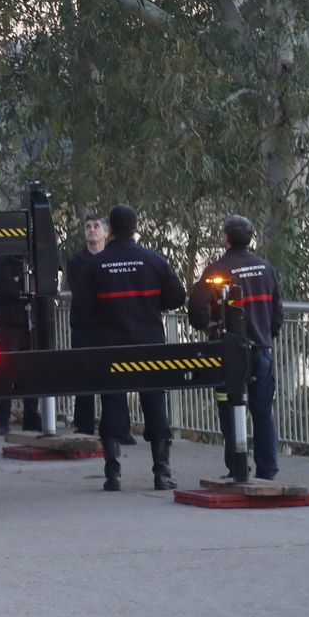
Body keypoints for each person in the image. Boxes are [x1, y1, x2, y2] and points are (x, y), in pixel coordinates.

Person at [73, 204, 186, 492]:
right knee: (155, 404)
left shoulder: (95, 266)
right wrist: (151, 305)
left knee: (111, 404)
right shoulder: (153, 261)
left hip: (111, 347)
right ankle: (162, 473)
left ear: (109, 230)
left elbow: (81, 310)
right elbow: (177, 297)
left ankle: (113, 475)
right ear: (136, 228)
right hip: (149, 346)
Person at [190, 214, 283, 480]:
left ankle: (237, 466)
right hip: (261, 351)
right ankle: (268, 470)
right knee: (263, 411)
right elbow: (277, 312)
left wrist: (207, 326)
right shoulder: (266, 268)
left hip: (226, 354)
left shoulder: (216, 271)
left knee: (229, 408)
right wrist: (267, 336)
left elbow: (196, 306)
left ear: (225, 239)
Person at [66, 214, 133, 440]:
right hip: (85, 326)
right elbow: (82, 292)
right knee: (85, 376)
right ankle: (84, 426)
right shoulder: (76, 262)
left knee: (116, 377)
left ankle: (119, 428)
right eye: (87, 227)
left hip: (112, 327)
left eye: (96, 226)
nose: (92, 230)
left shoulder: (115, 257)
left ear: (106, 233)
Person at [0, 255, 42, 435]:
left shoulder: (35, 259)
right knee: (5, 372)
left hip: (31, 325)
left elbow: (47, 280)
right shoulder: (2, 261)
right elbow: (5, 286)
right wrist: (24, 289)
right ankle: (1, 419)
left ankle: (32, 418)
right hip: (9, 325)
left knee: (31, 373)